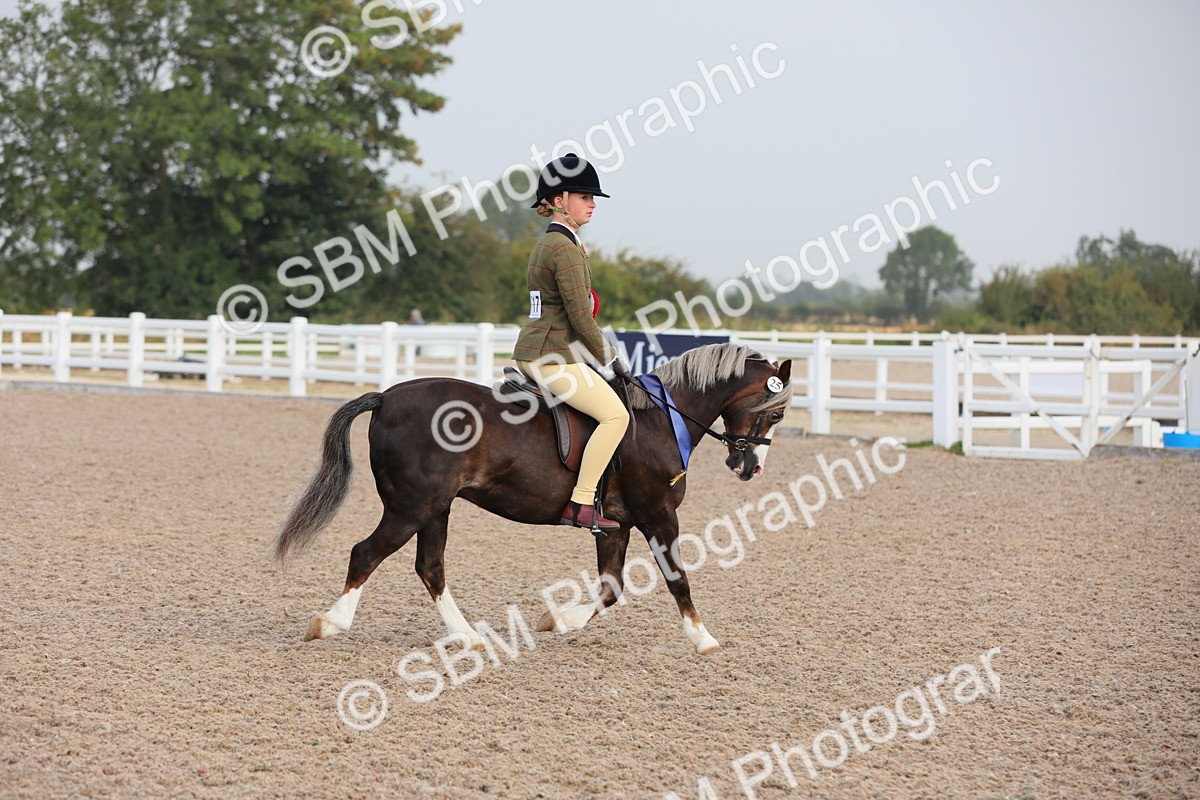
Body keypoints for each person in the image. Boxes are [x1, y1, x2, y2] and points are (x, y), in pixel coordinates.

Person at [512, 153, 633, 532]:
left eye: (593, 198)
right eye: (584, 196)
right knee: (617, 416)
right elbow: (580, 317)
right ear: (560, 201)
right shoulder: (563, 248)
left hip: (542, 350)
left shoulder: (554, 242)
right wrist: (609, 357)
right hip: (552, 358)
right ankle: (581, 502)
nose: (592, 204)